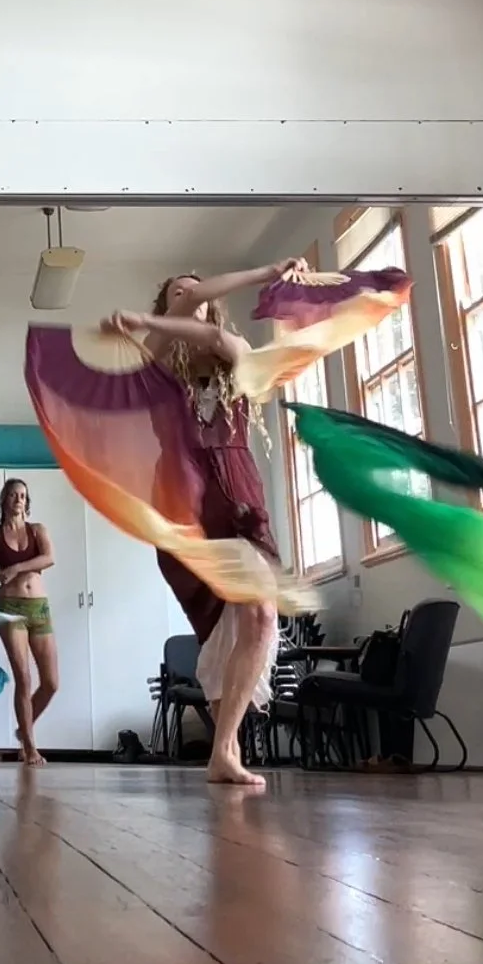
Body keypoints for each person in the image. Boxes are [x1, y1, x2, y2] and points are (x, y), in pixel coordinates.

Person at [107, 257, 303, 787]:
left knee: (262, 615)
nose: (189, 300)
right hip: (183, 510)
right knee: (216, 632)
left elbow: (204, 325)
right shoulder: (156, 370)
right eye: (175, 296)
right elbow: (179, 327)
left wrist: (265, 274)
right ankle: (226, 749)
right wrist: (161, 320)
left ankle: (222, 750)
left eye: (198, 294)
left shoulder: (237, 358)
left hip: (238, 500)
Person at [0, 478, 57, 766]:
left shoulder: (38, 530)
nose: (19, 499)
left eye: (23, 495)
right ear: (4, 500)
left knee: (51, 683)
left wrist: (16, 567)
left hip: (39, 608)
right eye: (14, 495)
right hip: (10, 608)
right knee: (24, 677)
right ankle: (30, 748)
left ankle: (23, 730)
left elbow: (48, 558)